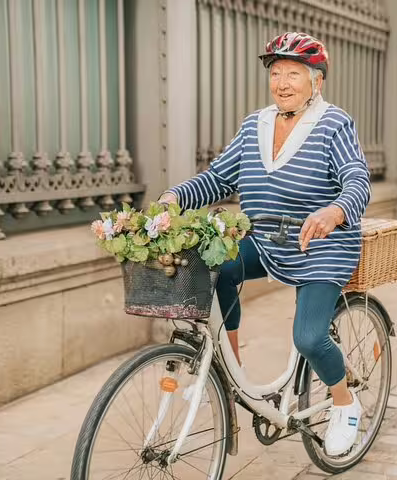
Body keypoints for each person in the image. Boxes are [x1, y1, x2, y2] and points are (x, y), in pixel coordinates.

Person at [158, 32, 371, 456]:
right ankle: (227, 370)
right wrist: (175, 197)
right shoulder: (255, 123)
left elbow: (357, 179)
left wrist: (335, 211)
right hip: (267, 238)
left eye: (294, 73)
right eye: (276, 73)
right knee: (212, 263)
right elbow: (219, 178)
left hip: (321, 245)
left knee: (309, 338)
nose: (283, 82)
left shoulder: (334, 123)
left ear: (317, 82)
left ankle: (347, 404)